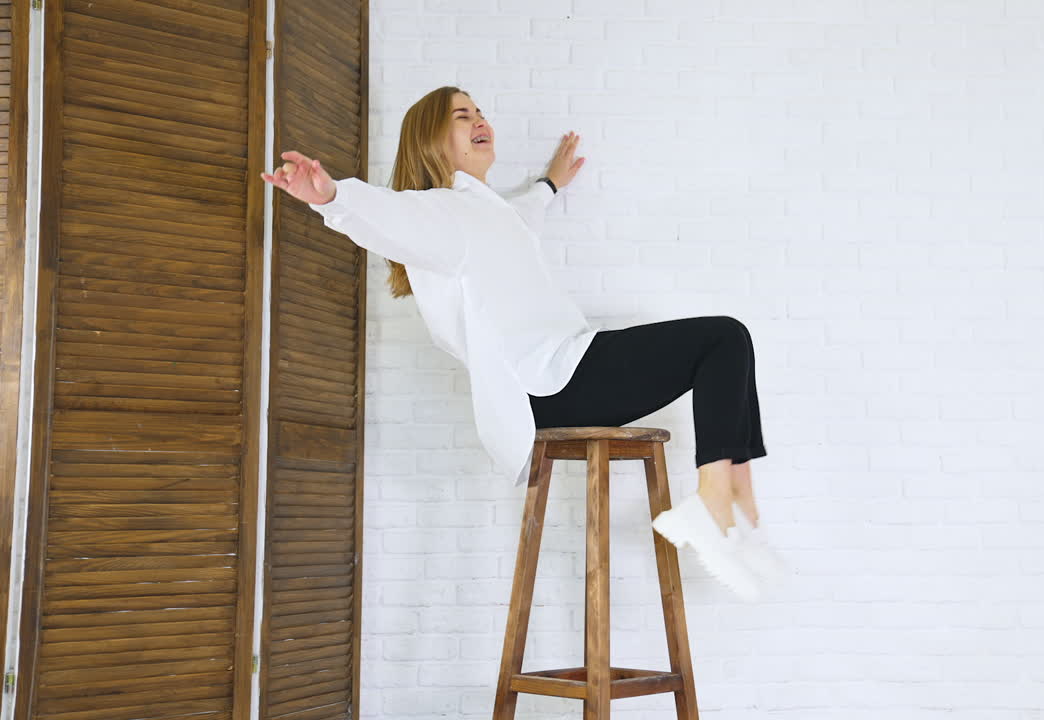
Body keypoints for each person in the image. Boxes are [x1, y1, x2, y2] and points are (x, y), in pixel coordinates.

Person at [261, 86, 787, 599]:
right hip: (549, 386)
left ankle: (741, 507)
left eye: (480, 110)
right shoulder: (438, 212)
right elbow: (388, 217)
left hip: (565, 370)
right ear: (430, 140)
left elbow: (523, 212)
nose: (479, 119)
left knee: (729, 342)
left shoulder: (488, 210)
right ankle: (716, 502)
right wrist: (330, 196)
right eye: (462, 115)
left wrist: (550, 184)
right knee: (723, 338)